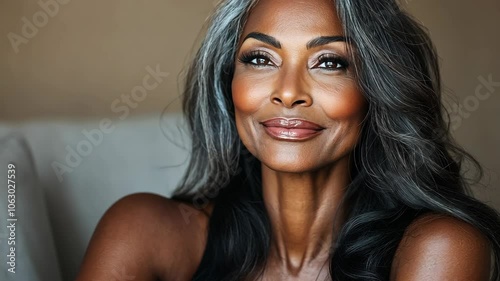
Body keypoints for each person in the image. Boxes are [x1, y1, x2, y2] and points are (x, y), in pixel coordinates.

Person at [76, 0, 500, 280]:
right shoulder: (143, 230)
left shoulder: (439, 249)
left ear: (375, 90)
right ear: (229, 83)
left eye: (329, 62)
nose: (288, 91)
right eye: (260, 58)